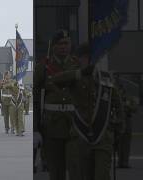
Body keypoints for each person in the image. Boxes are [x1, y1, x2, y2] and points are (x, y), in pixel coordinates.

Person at [51, 42, 125, 180]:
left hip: (102, 135)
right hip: (81, 135)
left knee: (102, 175)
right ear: (79, 58)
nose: (88, 60)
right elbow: (55, 80)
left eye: (90, 57)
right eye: (84, 57)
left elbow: (117, 104)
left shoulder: (105, 77)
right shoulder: (74, 76)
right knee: (82, 175)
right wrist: (79, 73)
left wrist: (119, 128)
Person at [34, 30, 82, 180]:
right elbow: (35, 99)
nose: (64, 47)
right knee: (56, 170)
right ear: (53, 46)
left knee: (75, 167)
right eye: (60, 44)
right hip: (52, 126)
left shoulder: (77, 65)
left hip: (74, 125)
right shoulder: (44, 67)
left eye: (66, 43)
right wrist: (35, 129)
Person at [117, 84, 138, 168]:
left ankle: (125, 162)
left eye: (122, 90)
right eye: (120, 90)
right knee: (119, 144)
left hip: (127, 121)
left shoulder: (130, 98)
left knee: (126, 144)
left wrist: (127, 105)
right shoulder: (116, 98)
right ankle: (119, 162)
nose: (121, 91)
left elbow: (135, 109)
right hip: (119, 121)